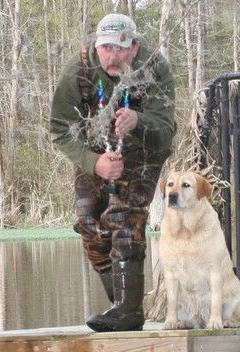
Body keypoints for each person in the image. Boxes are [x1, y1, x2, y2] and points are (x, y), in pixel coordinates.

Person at [50, 13, 175, 332]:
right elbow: (60, 130)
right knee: (88, 222)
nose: (113, 56)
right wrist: (95, 163)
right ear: (97, 46)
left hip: (144, 144)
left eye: (120, 49)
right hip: (94, 144)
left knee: (123, 215)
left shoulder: (155, 67)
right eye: (106, 48)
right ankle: (122, 305)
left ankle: (128, 311)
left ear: (134, 47)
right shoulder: (77, 70)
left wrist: (138, 120)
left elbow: (165, 130)